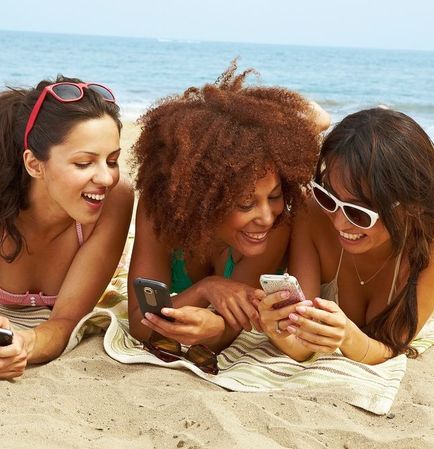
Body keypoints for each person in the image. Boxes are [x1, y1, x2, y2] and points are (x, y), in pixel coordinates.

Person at [128, 61, 329, 354]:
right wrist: (205, 288)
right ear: (202, 201)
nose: (265, 217)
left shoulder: (278, 225)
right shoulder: (158, 212)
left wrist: (217, 326)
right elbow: (140, 323)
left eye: (274, 196)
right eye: (246, 203)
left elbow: (229, 329)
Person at [258, 108, 434, 364]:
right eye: (329, 197)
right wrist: (276, 331)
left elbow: (390, 349)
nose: (339, 222)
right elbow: (301, 344)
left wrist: (348, 337)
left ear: (410, 206)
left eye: (358, 212)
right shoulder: (312, 214)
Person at [0, 76, 134, 379]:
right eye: (84, 163)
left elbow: (66, 321)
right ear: (35, 165)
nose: (105, 178)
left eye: (112, 160)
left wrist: (22, 344)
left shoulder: (116, 198)